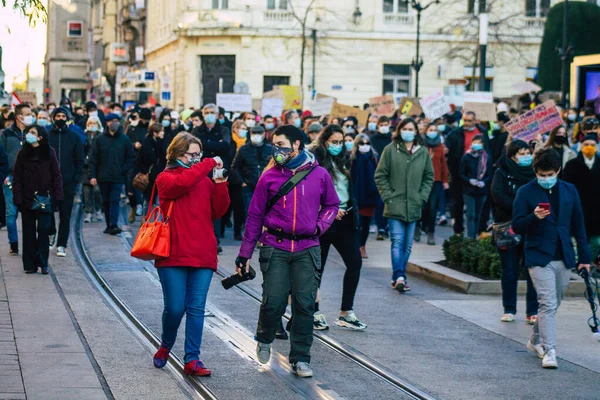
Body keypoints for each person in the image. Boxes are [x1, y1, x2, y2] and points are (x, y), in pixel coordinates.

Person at [236, 125, 339, 378]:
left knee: (305, 305)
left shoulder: (320, 175)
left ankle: (301, 358)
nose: (276, 149)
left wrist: (320, 226)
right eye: (275, 144)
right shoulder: (269, 177)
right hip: (275, 246)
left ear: (296, 145)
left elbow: (332, 204)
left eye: (281, 144)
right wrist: (245, 254)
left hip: (307, 246)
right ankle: (265, 337)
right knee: (274, 301)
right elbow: (255, 215)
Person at [152, 132, 230, 377]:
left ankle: (192, 359)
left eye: (200, 154)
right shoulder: (165, 178)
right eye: (192, 154)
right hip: (173, 253)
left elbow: (218, 211)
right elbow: (182, 184)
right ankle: (166, 344)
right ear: (176, 154)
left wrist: (220, 184)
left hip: (202, 253)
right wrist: (208, 163)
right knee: (175, 308)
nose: (197, 159)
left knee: (196, 308)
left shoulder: (204, 180)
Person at [513, 147, 591, 369]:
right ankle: (550, 350)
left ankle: (535, 340)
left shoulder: (569, 190)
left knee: (553, 304)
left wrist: (584, 257)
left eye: (549, 174)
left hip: (564, 255)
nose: (545, 178)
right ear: (535, 171)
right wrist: (533, 217)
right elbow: (517, 225)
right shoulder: (525, 192)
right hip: (538, 255)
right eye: (541, 174)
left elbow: (579, 225)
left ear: (557, 170)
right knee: (547, 303)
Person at [312, 125, 366, 331]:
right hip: (323, 220)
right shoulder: (315, 161)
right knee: (317, 267)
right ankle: (314, 310)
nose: (338, 145)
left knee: (355, 263)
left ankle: (346, 312)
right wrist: (328, 209)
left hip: (346, 219)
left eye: (341, 141)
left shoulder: (345, 160)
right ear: (324, 141)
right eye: (334, 141)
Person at [374, 118, 434, 292]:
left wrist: (421, 196)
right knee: (397, 241)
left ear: (416, 132)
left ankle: (398, 277)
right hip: (395, 204)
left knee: (407, 245)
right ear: (399, 130)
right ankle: (400, 276)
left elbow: (429, 176)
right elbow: (380, 175)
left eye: (411, 129)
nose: (408, 131)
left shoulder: (422, 152)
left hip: (414, 204)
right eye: (405, 128)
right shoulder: (390, 150)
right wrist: (388, 196)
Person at [491, 140, 539, 324]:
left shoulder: (535, 174)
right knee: (510, 270)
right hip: (508, 228)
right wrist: (520, 209)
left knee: (532, 271)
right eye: (522, 153)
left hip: (530, 227)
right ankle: (509, 308)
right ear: (512, 156)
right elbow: (497, 195)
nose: (526, 156)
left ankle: (532, 311)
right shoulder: (502, 172)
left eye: (528, 152)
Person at [12, 126, 63, 274]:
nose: (29, 135)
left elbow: (56, 175)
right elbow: (17, 178)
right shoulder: (22, 154)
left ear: (40, 137)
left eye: (33, 133)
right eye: (29, 132)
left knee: (43, 230)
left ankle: (43, 263)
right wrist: (18, 198)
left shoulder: (49, 152)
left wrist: (58, 197)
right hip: (27, 198)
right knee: (28, 232)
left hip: (45, 198)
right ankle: (29, 264)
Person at [89, 113, 136, 235]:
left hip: (118, 176)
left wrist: (123, 170)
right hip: (103, 176)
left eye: (116, 121)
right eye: (111, 121)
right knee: (106, 200)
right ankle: (109, 224)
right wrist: (93, 175)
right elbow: (93, 159)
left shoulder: (124, 139)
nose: (114, 123)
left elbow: (131, 157)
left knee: (115, 199)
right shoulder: (99, 139)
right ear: (107, 123)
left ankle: (114, 225)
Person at [445, 111, 491, 237]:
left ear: (475, 121)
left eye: (469, 121)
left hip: (478, 173)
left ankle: (481, 230)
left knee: (480, 205)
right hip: (460, 173)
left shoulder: (482, 132)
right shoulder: (455, 134)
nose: (466, 123)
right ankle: (458, 230)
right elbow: (449, 150)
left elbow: (487, 151)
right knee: (458, 203)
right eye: (464, 120)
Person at [47, 106, 85, 257]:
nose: (61, 119)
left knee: (65, 214)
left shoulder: (74, 137)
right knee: (48, 210)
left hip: (68, 182)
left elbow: (79, 159)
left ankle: (62, 244)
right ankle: (51, 233)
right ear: (54, 118)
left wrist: (76, 178)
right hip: (49, 181)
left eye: (63, 116)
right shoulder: (47, 135)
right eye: (58, 116)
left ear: (67, 118)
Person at [0, 104, 31, 255]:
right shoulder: (6, 133)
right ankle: (14, 243)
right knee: (11, 213)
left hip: (29, 178)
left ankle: (29, 242)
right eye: (28, 114)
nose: (31, 116)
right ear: (19, 116)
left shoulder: (33, 132)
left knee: (28, 212)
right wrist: (3, 176)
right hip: (10, 177)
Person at [563, 134, 600, 262]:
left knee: (596, 241)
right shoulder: (572, 165)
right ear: (580, 146)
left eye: (592, 145)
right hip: (578, 208)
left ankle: (590, 263)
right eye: (586, 145)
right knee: (579, 239)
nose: (589, 147)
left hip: (597, 211)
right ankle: (579, 264)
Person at [231, 124, 273, 213]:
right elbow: (235, 167)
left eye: (259, 133)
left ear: (264, 134)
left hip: (266, 187)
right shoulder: (243, 149)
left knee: (265, 212)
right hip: (248, 186)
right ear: (250, 134)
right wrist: (242, 182)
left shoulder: (270, 149)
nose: (256, 135)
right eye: (254, 133)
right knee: (249, 212)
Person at [350, 133, 378, 259]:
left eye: (367, 143)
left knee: (366, 223)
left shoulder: (374, 157)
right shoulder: (351, 158)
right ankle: (355, 246)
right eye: (362, 143)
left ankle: (362, 246)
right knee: (356, 223)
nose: (365, 146)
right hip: (356, 195)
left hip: (369, 195)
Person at [459, 135, 492, 239]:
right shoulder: (466, 157)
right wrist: (469, 180)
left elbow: (489, 174)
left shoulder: (486, 158)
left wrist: (483, 182)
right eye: (475, 142)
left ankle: (476, 234)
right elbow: (461, 173)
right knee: (471, 214)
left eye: (479, 142)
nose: (477, 144)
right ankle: (470, 237)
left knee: (478, 215)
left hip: (481, 191)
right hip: (468, 190)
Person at [421, 123, 449, 245]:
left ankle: (431, 233)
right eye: (430, 130)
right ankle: (419, 227)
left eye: (434, 130)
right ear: (426, 131)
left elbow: (443, 165)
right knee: (423, 207)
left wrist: (445, 180)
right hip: (421, 181)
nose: (432, 132)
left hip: (436, 181)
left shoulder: (440, 146)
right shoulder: (421, 146)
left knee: (433, 208)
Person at [126, 107, 151, 223]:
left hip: (147, 162)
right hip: (133, 161)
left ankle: (144, 215)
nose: (145, 122)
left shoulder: (151, 130)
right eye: (144, 119)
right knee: (130, 186)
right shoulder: (132, 129)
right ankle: (133, 206)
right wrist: (133, 145)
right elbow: (126, 143)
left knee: (145, 187)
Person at [225, 119, 249, 240]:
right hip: (230, 178)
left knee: (239, 207)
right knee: (227, 205)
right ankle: (223, 226)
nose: (243, 131)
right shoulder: (230, 143)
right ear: (234, 129)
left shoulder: (248, 143)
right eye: (241, 128)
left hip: (242, 179)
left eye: (245, 129)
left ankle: (237, 231)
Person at [371, 116, 392, 241]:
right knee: (379, 203)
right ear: (378, 126)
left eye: (386, 124)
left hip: (391, 174)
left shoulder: (392, 139)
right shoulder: (373, 139)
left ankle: (387, 225)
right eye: (381, 124)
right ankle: (381, 228)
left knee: (388, 201)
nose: (384, 126)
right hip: (378, 173)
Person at [136, 123, 166, 211]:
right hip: (149, 174)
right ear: (155, 133)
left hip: (159, 174)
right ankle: (145, 219)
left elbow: (164, 156)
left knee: (158, 200)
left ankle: (158, 221)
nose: (163, 133)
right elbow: (143, 159)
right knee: (148, 199)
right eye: (161, 131)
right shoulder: (147, 143)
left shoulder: (161, 142)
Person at [82, 116, 104, 223]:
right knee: (86, 192)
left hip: (98, 168)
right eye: (90, 123)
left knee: (97, 191)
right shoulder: (84, 136)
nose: (92, 125)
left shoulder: (101, 136)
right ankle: (88, 212)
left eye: (94, 123)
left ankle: (98, 209)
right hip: (86, 168)